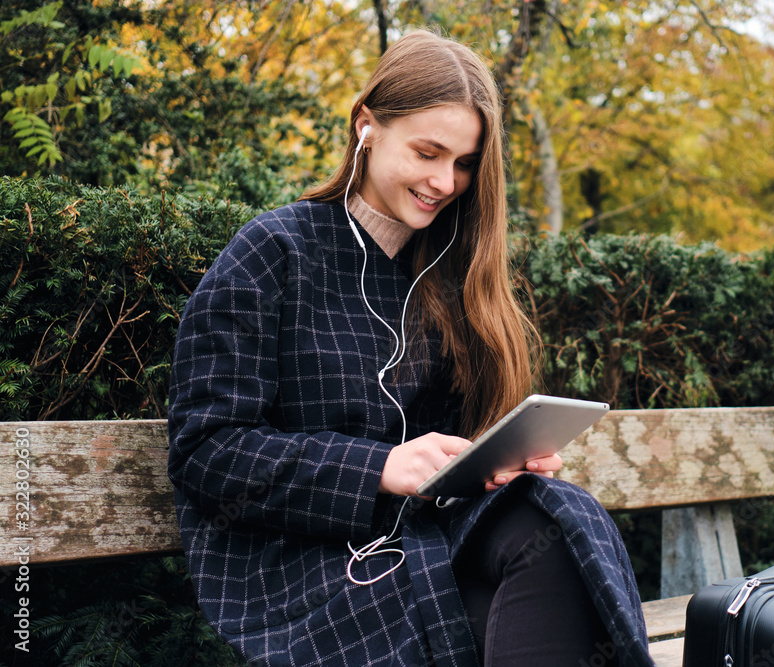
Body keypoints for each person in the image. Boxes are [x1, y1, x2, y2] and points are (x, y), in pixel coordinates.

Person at [167, 29, 652, 667]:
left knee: (556, 515)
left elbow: (447, 459)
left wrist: (493, 465)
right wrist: (378, 468)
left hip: (425, 544)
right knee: (529, 613)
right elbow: (207, 451)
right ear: (366, 126)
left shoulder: (451, 273)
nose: (444, 181)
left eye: (464, 163)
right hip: (303, 573)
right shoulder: (274, 251)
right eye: (428, 152)